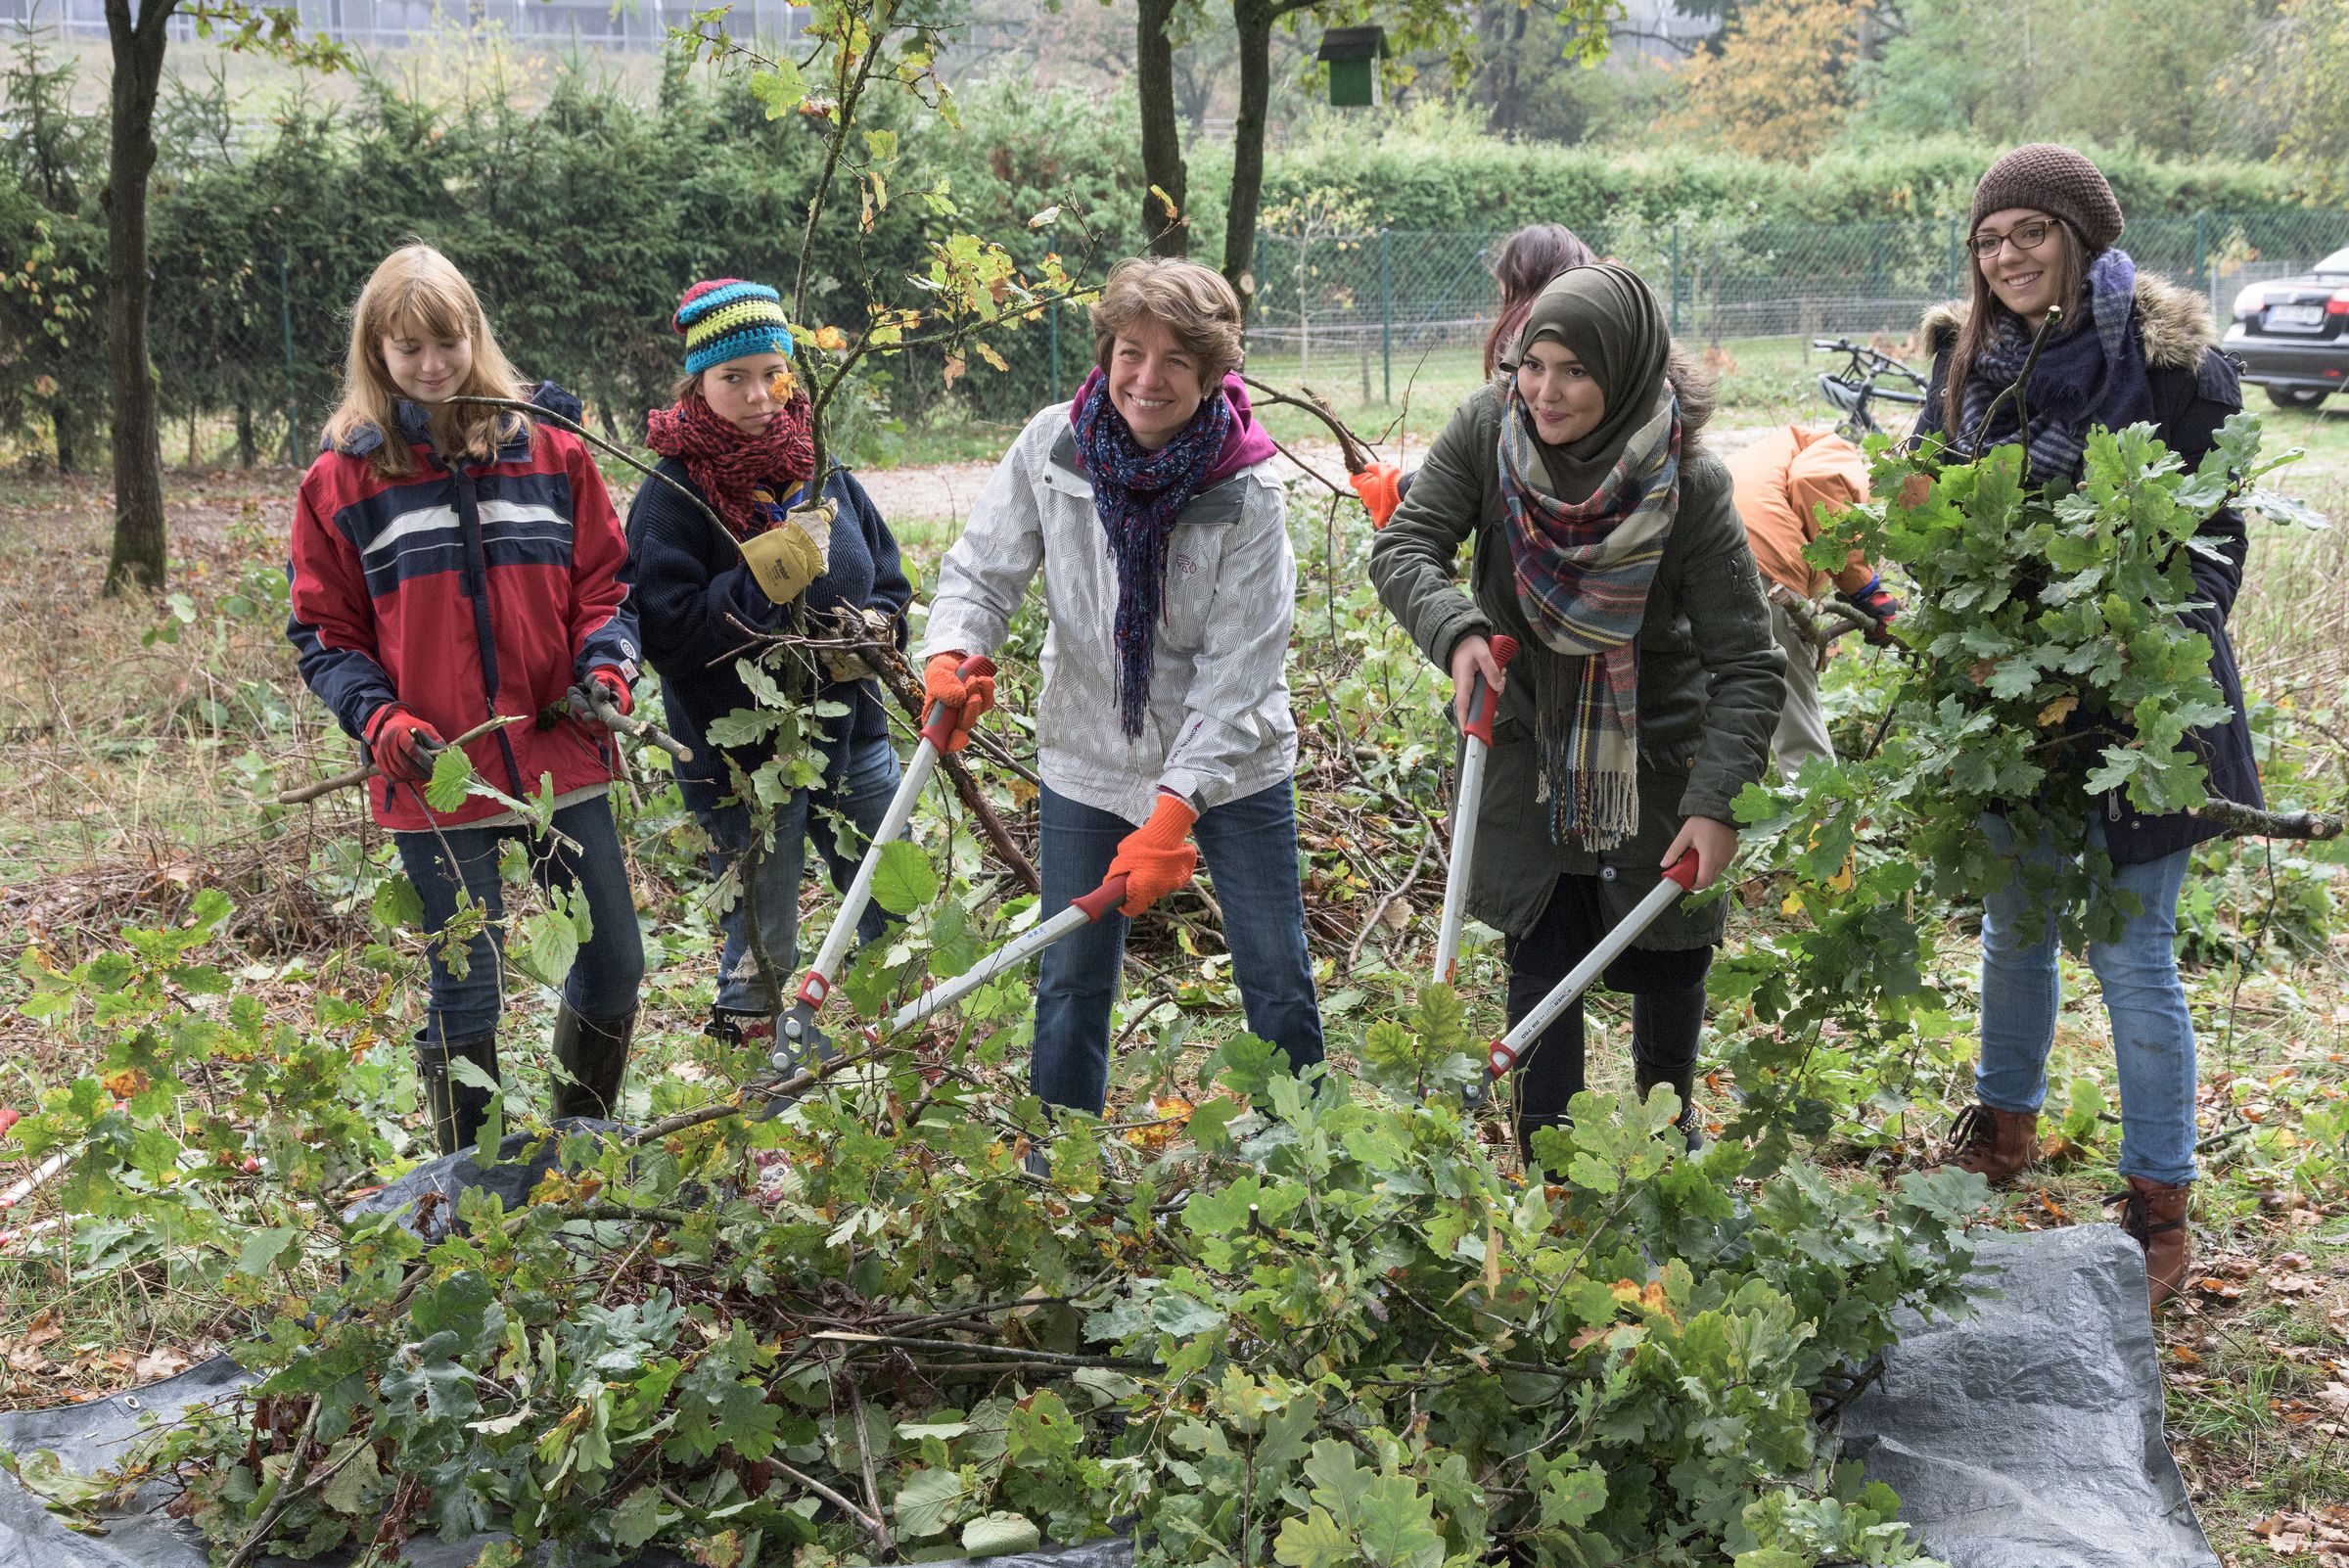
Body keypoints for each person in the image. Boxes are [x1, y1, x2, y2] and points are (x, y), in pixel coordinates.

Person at [1911, 144, 2257, 1308]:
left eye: (2031, 233)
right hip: (2008, 699)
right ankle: (1999, 1132)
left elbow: (2216, 544)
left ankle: (2160, 1201)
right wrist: (1947, 620)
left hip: (2142, 701)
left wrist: (2134, 632)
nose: (2006, 256)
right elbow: (1925, 503)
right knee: (2014, 926)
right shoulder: (1968, 365)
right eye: (1989, 238)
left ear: (2084, 237)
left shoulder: (2178, 369)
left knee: (2131, 951)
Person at [1369, 264, 1783, 1166]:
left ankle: (1666, 1147)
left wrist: (1714, 805)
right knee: (1543, 958)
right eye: (1532, 364)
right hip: (1525, 743)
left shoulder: (1689, 486)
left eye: (1575, 372)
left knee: (1668, 956)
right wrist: (1458, 631)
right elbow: (1405, 545)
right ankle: (1547, 1174)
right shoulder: (1488, 433)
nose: (1545, 392)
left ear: (1627, 374)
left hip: (1655, 754)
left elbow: (1749, 665)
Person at [920, 256, 1324, 1117]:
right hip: (1088, 752)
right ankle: (1056, 1163)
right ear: (1105, 350)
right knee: (1069, 972)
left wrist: (1174, 813)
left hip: (1232, 764)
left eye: (1177, 360)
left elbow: (1240, 676)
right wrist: (950, 658)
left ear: (1214, 374)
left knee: (1274, 970)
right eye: (1131, 351)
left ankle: (1305, 1158)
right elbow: (982, 574)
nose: (1148, 378)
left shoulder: (1246, 490)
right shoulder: (1052, 447)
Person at [287, 244, 645, 1155]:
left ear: (475, 336)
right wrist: (379, 719)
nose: (432, 365)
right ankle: (474, 1182)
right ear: (376, 353)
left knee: (613, 964)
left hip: (560, 756)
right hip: (435, 775)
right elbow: (325, 633)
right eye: (408, 349)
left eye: (446, 342)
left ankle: (576, 1150)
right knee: (467, 986)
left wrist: (606, 668)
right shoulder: (343, 480)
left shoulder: (550, 449)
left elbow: (607, 585)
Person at [624, 278, 913, 1047]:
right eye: (734, 377)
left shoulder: (818, 469)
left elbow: (885, 572)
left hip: (853, 737)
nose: (758, 396)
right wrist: (763, 573)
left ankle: (907, 1054)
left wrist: (878, 628)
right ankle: (741, 1086)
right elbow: (670, 633)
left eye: (772, 374)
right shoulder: (673, 496)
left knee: (892, 899)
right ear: (698, 382)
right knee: (763, 940)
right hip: (745, 763)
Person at [1351, 224, 1601, 530]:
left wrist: (1404, 489)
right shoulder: (1616, 336)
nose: (1547, 391)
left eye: (1508, 298)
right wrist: (1409, 487)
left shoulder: (1535, 334)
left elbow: (1513, 456)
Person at [1723, 426, 1900, 777]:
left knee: (1726, 710)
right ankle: (1821, 826)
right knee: (1799, 730)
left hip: (1705, 569)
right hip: (1762, 570)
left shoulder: (1767, 451)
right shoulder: (1833, 450)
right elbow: (1816, 482)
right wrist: (1868, 593)